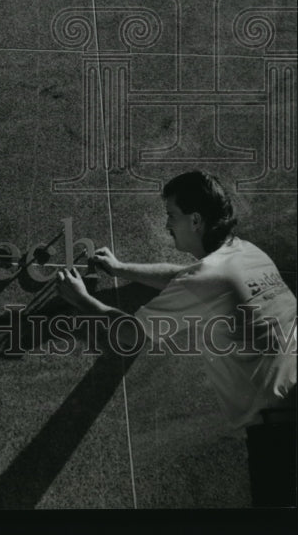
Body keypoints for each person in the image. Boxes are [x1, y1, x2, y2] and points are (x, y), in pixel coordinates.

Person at [56, 170, 297, 508]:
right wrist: (122, 268)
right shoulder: (246, 253)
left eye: (172, 215)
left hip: (280, 437)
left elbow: (131, 334)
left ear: (195, 220)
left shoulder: (211, 276)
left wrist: (82, 300)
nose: (167, 224)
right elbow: (181, 277)